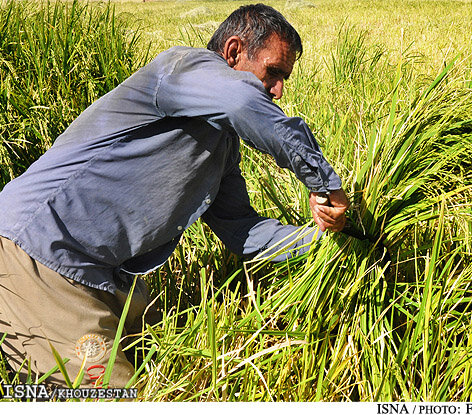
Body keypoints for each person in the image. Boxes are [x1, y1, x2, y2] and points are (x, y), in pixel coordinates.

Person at [0, 3, 349, 389]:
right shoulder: (183, 67)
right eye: (273, 73)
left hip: (111, 274)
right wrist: (323, 183)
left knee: (166, 365)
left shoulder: (222, 146)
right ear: (233, 52)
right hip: (41, 256)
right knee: (115, 397)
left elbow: (240, 229)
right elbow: (240, 103)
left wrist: (329, 243)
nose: (279, 91)